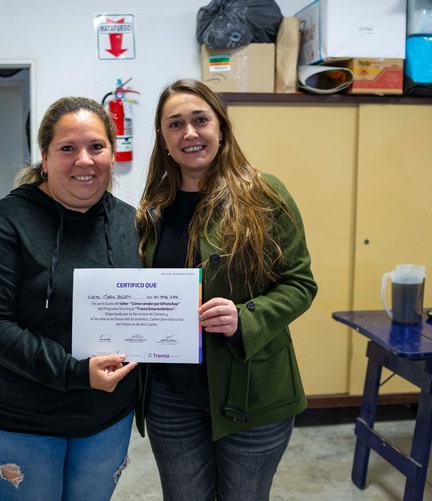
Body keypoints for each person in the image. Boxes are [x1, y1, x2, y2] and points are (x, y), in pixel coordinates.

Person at [135, 79, 318, 501]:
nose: (190, 133)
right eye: (175, 124)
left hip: (251, 390)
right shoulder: (152, 209)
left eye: (201, 120)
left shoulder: (264, 195)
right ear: (163, 140)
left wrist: (245, 317)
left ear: (221, 129)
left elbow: (300, 283)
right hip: (171, 398)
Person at [0, 96, 141, 501]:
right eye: (67, 148)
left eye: (96, 146)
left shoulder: (131, 222)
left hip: (106, 416)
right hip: (23, 418)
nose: (84, 160)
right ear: (44, 157)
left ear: (112, 154)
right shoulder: (4, 224)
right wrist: (76, 373)